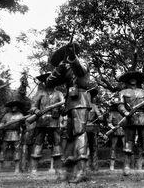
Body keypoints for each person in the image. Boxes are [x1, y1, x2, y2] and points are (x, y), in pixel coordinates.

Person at [46, 42, 91, 183]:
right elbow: (49, 82)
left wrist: (72, 57)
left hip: (81, 99)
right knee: (69, 136)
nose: (66, 57)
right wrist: (60, 67)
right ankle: (69, 171)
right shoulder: (64, 68)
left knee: (80, 133)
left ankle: (82, 170)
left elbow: (81, 71)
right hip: (70, 103)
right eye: (65, 55)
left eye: (68, 54)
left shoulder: (82, 61)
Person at [117, 70, 144, 176]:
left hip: (142, 118)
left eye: (135, 78)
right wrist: (125, 112)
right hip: (129, 119)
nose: (133, 80)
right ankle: (126, 167)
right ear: (128, 80)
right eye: (131, 78)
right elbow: (120, 105)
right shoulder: (123, 92)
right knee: (128, 143)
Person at [29, 73, 64, 177]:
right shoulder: (40, 93)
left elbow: (63, 107)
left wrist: (61, 109)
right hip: (41, 122)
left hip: (54, 121)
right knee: (38, 144)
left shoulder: (59, 94)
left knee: (57, 145)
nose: (51, 82)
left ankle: (58, 170)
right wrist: (36, 111)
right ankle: (33, 170)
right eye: (49, 80)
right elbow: (32, 107)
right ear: (45, 81)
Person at [0, 98, 24, 174]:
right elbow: (2, 123)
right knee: (3, 150)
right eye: (12, 106)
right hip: (7, 134)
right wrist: (0, 126)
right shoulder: (6, 115)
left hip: (16, 134)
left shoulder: (21, 115)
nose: (13, 107)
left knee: (17, 151)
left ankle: (17, 169)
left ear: (17, 107)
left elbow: (23, 125)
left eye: (15, 106)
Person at [86, 86, 103, 172]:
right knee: (83, 147)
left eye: (89, 94)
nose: (88, 96)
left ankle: (95, 166)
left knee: (94, 147)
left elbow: (100, 117)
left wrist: (100, 116)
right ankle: (85, 166)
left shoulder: (94, 106)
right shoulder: (80, 106)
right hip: (82, 129)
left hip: (92, 128)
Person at [107, 98, 125, 170]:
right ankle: (112, 165)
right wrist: (113, 127)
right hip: (115, 131)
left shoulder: (124, 113)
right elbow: (109, 123)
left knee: (126, 146)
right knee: (113, 147)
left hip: (123, 130)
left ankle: (127, 164)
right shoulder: (112, 113)